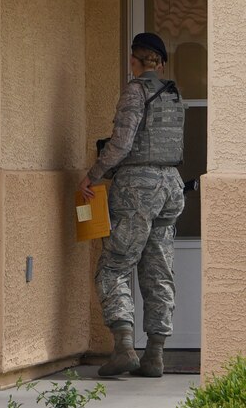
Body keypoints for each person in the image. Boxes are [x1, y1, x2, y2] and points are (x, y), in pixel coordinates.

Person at [78, 32, 185, 378]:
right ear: (161, 62)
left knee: (114, 266)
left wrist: (93, 175)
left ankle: (124, 347)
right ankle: (155, 355)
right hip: (171, 186)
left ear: (134, 61)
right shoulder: (173, 94)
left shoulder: (135, 91)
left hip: (138, 188)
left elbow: (122, 144)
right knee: (158, 270)